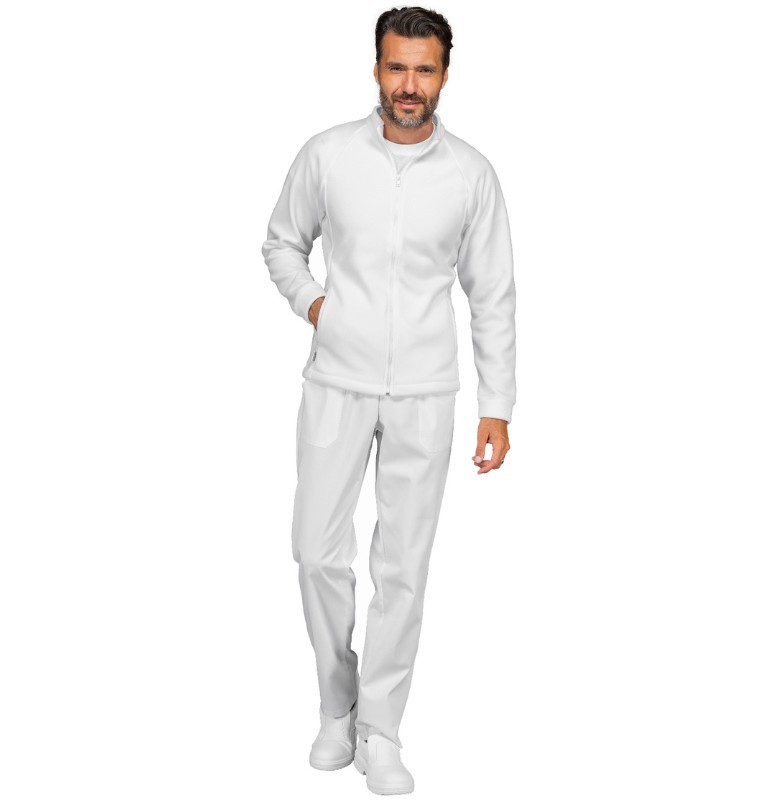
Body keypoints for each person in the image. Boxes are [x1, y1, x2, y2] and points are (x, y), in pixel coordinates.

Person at [261, 7, 516, 795]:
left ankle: (379, 729)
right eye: (397, 67)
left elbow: (493, 294)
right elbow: (281, 242)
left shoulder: (471, 174)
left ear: (445, 75)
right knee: (316, 552)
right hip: (336, 381)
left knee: (402, 568)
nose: (410, 85)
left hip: (426, 394)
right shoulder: (328, 155)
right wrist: (318, 307)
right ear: (375, 69)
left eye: (424, 70)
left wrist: (497, 405)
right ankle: (335, 706)